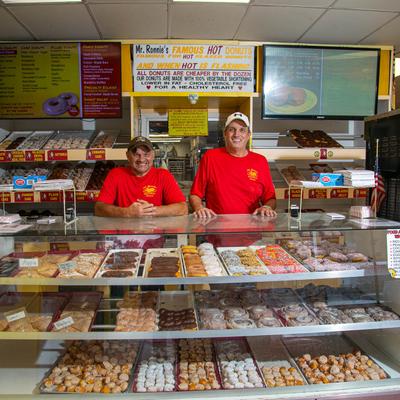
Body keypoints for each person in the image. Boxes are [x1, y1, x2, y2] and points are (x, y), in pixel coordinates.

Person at [190, 112, 276, 218]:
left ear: (248, 135)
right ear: (225, 134)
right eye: (232, 129)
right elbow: (195, 194)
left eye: (242, 130)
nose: (236, 134)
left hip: (252, 230)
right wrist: (199, 208)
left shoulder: (260, 161)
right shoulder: (210, 157)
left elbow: (270, 198)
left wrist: (267, 207)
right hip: (216, 230)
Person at [95, 136, 188, 217]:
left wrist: (150, 211)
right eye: (136, 154)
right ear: (127, 156)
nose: (141, 159)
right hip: (122, 236)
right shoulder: (115, 175)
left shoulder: (163, 175)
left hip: (154, 235)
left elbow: (183, 208)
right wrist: (127, 212)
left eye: (146, 154)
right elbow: (99, 208)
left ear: (153, 155)